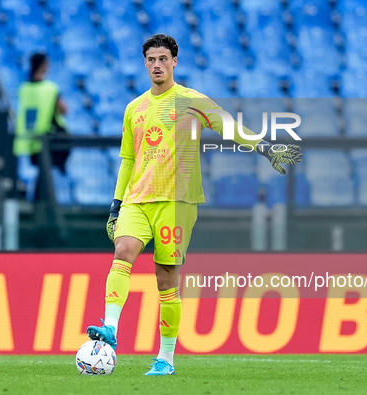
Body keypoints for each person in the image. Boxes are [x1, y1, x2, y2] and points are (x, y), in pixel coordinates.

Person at [86, 34, 302, 376]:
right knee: (123, 250)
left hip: (177, 202)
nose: (157, 65)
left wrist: (265, 147)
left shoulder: (190, 100)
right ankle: (110, 327)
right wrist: (116, 204)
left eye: (163, 59)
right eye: (151, 59)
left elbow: (228, 126)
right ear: (145, 63)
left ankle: (165, 359)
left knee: (165, 278)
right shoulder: (134, 108)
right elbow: (127, 160)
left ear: (174, 62)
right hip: (137, 199)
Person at [12, 52, 69, 201]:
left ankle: (38, 202)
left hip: (28, 138)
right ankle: (41, 206)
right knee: (45, 175)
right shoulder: (50, 89)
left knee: (42, 175)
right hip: (47, 139)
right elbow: (64, 110)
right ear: (43, 65)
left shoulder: (24, 88)